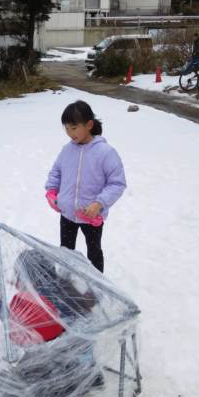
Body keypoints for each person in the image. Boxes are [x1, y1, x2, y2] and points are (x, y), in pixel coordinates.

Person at [0, 250, 99, 397]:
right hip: (77, 368)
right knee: (19, 382)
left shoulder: (42, 303)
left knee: (22, 392)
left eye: (19, 276)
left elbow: (21, 334)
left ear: (29, 278)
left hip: (61, 369)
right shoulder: (64, 292)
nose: (17, 281)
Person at [45, 100, 126, 273]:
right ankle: (65, 279)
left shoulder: (105, 152)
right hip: (67, 212)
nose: (69, 133)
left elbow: (117, 183)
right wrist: (51, 192)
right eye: (66, 128)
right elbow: (56, 172)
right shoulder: (67, 150)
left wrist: (99, 203)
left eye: (73, 128)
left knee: (94, 251)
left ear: (89, 125)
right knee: (66, 249)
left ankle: (97, 286)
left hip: (91, 215)